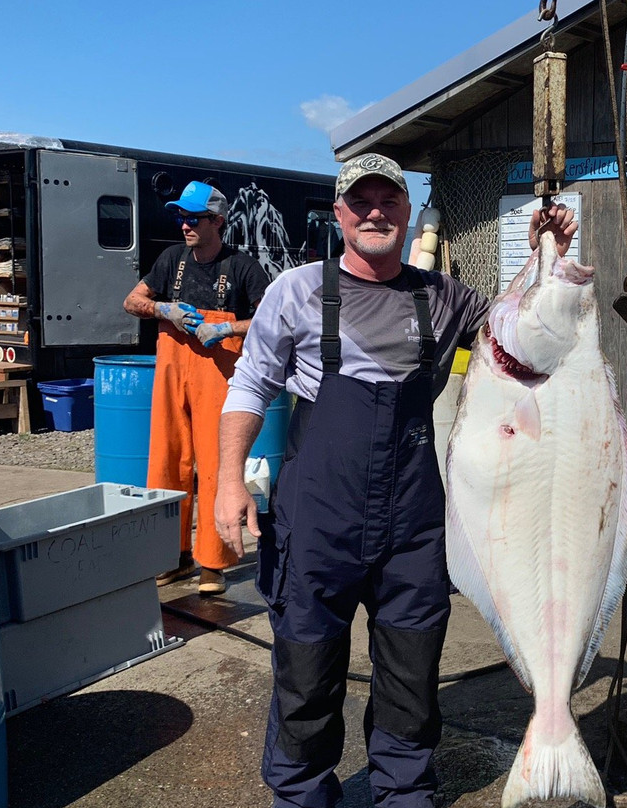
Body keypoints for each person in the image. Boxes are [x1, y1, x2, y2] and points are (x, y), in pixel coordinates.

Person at [214, 152, 577, 808]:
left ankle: (405, 794)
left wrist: (540, 253)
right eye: (362, 201)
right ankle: (300, 796)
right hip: (316, 524)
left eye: (389, 200)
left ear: (408, 214)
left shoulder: (444, 298)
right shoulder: (295, 292)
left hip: (413, 531)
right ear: (340, 212)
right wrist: (228, 482)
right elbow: (248, 385)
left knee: (410, 683)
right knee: (306, 679)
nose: (376, 212)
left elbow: (519, 334)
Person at [123, 181, 270, 595]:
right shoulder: (171, 260)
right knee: (167, 461)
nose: (184, 224)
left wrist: (227, 327)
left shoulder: (243, 267)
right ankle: (173, 557)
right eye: (180, 217)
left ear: (218, 221)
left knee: (214, 464)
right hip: (173, 370)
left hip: (217, 374)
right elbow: (131, 301)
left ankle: (213, 563)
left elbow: (269, 318)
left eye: (193, 218)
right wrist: (162, 309)